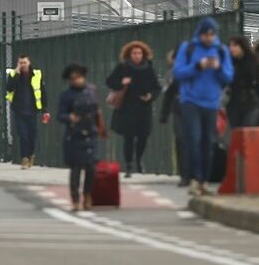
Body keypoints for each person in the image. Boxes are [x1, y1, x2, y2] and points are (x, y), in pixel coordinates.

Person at [173, 17, 234, 196]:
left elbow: (229, 77)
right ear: (200, 34)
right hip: (190, 100)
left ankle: (204, 181)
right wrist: (197, 66)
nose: (208, 38)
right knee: (193, 139)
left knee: (209, 142)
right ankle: (195, 178)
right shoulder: (188, 48)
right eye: (205, 34)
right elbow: (178, 72)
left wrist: (218, 67)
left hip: (212, 101)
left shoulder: (221, 50)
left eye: (211, 34)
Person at [106, 41, 161, 178]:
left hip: (144, 107)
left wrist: (150, 96)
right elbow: (110, 81)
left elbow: (157, 87)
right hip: (127, 107)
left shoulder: (149, 67)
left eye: (139, 53)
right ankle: (129, 165)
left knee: (143, 136)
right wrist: (121, 82)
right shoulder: (123, 67)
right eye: (134, 53)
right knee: (128, 137)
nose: (137, 55)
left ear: (144, 54)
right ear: (129, 55)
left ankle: (139, 160)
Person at [57, 63, 102, 211]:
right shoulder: (66, 94)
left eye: (79, 77)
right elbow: (60, 115)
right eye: (73, 78)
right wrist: (70, 117)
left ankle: (87, 194)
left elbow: (97, 110)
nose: (77, 80)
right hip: (74, 133)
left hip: (90, 131)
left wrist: (99, 127)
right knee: (75, 168)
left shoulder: (91, 90)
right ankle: (75, 198)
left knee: (91, 168)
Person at [5, 54, 49, 169]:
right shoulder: (13, 74)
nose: (23, 65)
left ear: (29, 63)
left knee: (32, 135)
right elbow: (9, 88)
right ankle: (24, 158)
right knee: (23, 135)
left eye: (24, 62)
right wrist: (17, 73)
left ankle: (31, 155)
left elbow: (43, 92)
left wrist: (45, 109)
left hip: (33, 110)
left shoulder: (36, 74)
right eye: (20, 63)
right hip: (19, 110)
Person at [160, 52, 189, 187]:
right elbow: (168, 92)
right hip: (178, 109)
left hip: (196, 109)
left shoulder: (196, 70)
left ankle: (196, 173)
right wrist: (164, 114)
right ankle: (184, 174)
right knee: (181, 139)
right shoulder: (172, 74)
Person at [227, 36, 259, 128]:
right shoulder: (229, 62)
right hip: (233, 103)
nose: (231, 48)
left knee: (247, 130)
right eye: (230, 45)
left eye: (235, 45)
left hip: (251, 103)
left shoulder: (253, 62)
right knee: (235, 131)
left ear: (242, 47)